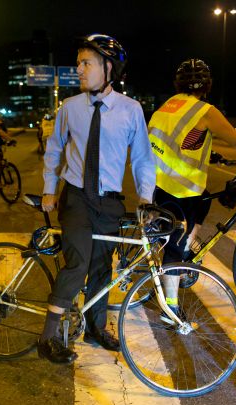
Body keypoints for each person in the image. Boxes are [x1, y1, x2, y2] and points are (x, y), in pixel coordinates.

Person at [39, 34, 156, 364]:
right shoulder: (70, 108)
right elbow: (54, 149)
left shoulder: (131, 110)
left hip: (109, 202)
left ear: (108, 68)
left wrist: (145, 197)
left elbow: (143, 159)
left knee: (104, 268)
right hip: (76, 197)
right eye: (78, 62)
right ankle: (46, 338)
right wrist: (50, 188)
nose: (78, 68)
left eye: (85, 62)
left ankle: (95, 327)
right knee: (78, 262)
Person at [147, 58, 236, 319]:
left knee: (206, 201)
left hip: (159, 182)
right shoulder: (204, 110)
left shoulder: (166, 106)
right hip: (182, 187)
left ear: (178, 84)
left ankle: (185, 248)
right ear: (207, 85)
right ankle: (171, 308)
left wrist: (212, 156)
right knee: (175, 247)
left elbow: (180, 141)